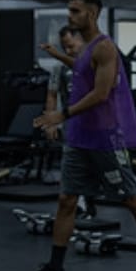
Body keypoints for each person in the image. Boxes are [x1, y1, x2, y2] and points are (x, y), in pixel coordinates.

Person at [23, 0, 136, 271]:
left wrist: (61, 115)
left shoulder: (105, 48)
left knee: (129, 198)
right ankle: (56, 268)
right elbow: (81, 68)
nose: (70, 16)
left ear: (92, 13)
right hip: (79, 138)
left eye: (75, 11)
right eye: (69, 10)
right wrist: (59, 56)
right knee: (67, 200)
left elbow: (101, 93)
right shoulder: (85, 48)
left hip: (105, 138)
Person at [41, 26, 97, 218]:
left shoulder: (95, 63)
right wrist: (50, 122)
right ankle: (80, 205)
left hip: (97, 125)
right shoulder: (59, 68)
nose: (69, 51)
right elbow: (52, 94)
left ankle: (89, 202)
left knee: (96, 166)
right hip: (72, 125)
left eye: (72, 46)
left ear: (82, 41)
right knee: (73, 166)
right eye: (65, 48)